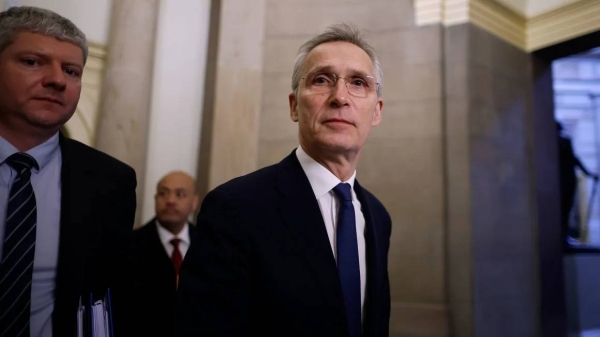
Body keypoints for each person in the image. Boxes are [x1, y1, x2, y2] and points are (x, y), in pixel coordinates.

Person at [176, 23, 391, 337]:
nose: (340, 97)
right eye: (322, 79)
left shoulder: (378, 216)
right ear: (294, 106)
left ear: (376, 112)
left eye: (358, 82)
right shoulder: (235, 207)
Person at [0, 6, 136, 336]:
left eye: (72, 71)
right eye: (32, 62)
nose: (57, 80)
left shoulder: (111, 182)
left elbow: (113, 298)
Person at [129, 171, 198, 337]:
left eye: (180, 194)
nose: (171, 201)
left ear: (194, 202)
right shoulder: (130, 245)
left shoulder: (210, 244)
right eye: (163, 193)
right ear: (155, 199)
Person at [557, 121, 598, 242]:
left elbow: (574, 159)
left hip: (567, 179)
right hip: (559, 181)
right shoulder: (551, 144)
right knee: (561, 209)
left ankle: (563, 234)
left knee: (565, 207)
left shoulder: (564, 142)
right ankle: (561, 234)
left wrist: (589, 173)